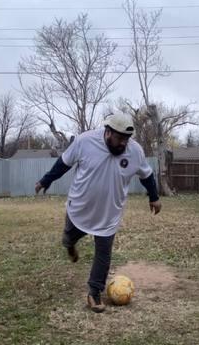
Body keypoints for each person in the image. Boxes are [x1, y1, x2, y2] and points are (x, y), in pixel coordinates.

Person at [35, 113, 162, 313]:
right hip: (80, 209)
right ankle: (70, 245)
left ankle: (94, 292)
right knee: (69, 237)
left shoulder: (135, 151)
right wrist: (45, 180)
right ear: (108, 132)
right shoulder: (85, 141)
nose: (123, 144)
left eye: (126, 140)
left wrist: (154, 197)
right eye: (119, 139)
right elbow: (64, 163)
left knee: (103, 252)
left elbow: (146, 174)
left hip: (109, 214)